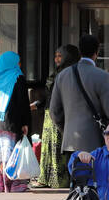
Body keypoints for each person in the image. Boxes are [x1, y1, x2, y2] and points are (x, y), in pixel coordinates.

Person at [50, 34, 109, 172]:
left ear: (80, 51)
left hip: (70, 143)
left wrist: (67, 129)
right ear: (97, 52)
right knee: (96, 185)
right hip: (96, 143)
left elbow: (54, 112)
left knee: (77, 186)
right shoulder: (103, 76)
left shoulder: (62, 76)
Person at [0, 50, 32, 194]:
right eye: (18, 62)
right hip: (10, 123)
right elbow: (23, 103)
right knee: (12, 156)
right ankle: (14, 185)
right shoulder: (18, 78)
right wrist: (25, 123)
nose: (20, 64)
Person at [31, 44, 80, 189]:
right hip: (50, 115)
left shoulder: (72, 73)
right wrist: (38, 104)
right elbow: (50, 95)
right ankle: (45, 179)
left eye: (60, 56)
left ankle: (61, 180)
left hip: (63, 115)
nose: (57, 59)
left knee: (59, 148)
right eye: (56, 56)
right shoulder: (57, 72)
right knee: (48, 148)